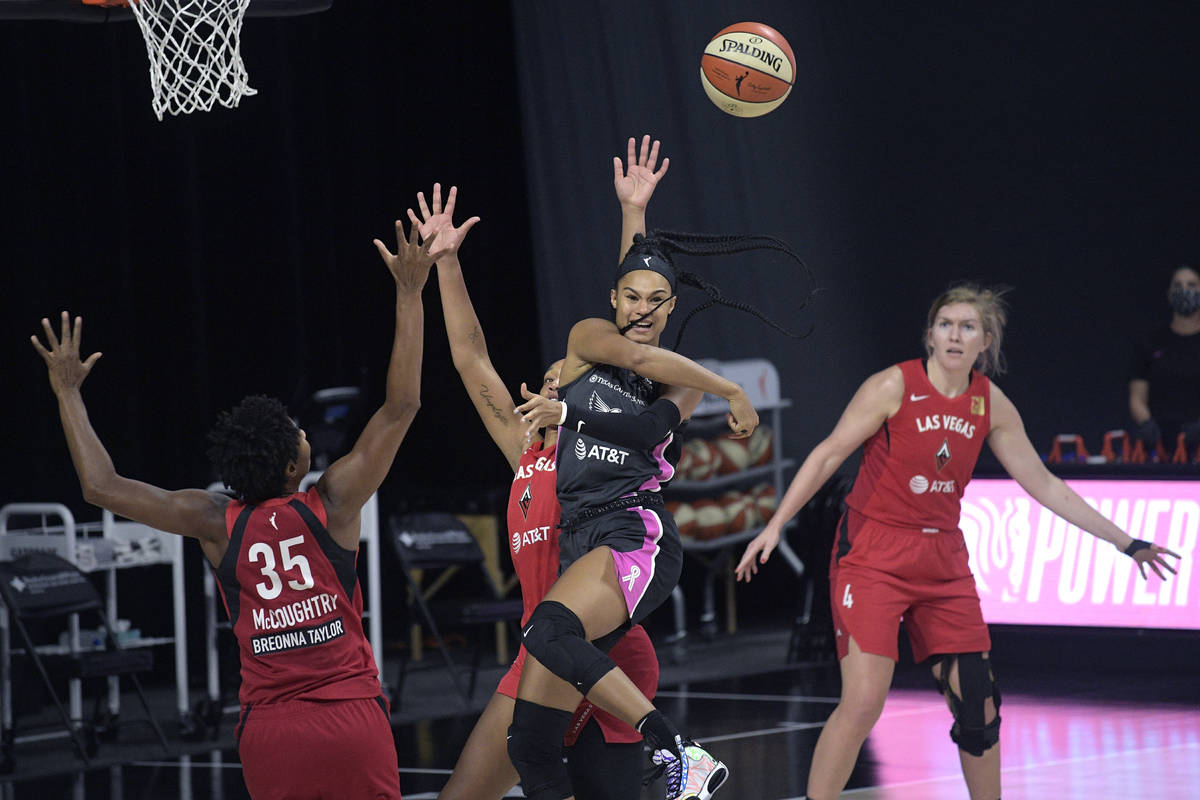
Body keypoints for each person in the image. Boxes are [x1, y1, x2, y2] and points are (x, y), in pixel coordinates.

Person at [30, 210, 458, 800]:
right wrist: (410, 293)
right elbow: (400, 406)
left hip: (272, 731)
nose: (307, 434)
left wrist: (69, 395)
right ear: (291, 465)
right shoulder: (332, 501)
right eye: (298, 433)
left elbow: (100, 485)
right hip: (350, 716)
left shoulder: (215, 522)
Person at [734, 283, 1181, 800]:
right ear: (929, 335)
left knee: (979, 708)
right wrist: (775, 524)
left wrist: (1127, 543)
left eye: (967, 327)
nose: (954, 334)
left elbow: (1045, 485)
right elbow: (830, 452)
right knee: (862, 702)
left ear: (984, 342)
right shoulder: (892, 387)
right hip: (873, 553)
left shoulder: (990, 404)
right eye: (945, 324)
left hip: (942, 558)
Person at [511, 143, 813, 800]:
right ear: (612, 299)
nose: (644, 308)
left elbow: (647, 423)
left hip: (632, 535)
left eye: (659, 300)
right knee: (532, 744)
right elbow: (633, 337)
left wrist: (727, 391)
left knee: (546, 630)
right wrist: (634, 210)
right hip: (578, 540)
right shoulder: (588, 340)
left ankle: (676, 748)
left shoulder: (682, 386)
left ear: (673, 307)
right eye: (632, 297)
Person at [418, 143, 673, 800]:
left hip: (603, 650)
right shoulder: (522, 450)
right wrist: (447, 262)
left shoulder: (603, 451)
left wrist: (633, 214)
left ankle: (672, 751)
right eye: (560, 372)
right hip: (542, 656)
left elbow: (635, 324)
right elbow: (470, 356)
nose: (569, 376)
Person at [1129, 264, 1200, 458]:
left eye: (1191, 285)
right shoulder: (1151, 342)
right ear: (1169, 294)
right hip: (1159, 447)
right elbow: (1137, 396)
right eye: (1178, 286)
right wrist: (1147, 424)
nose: (1184, 290)